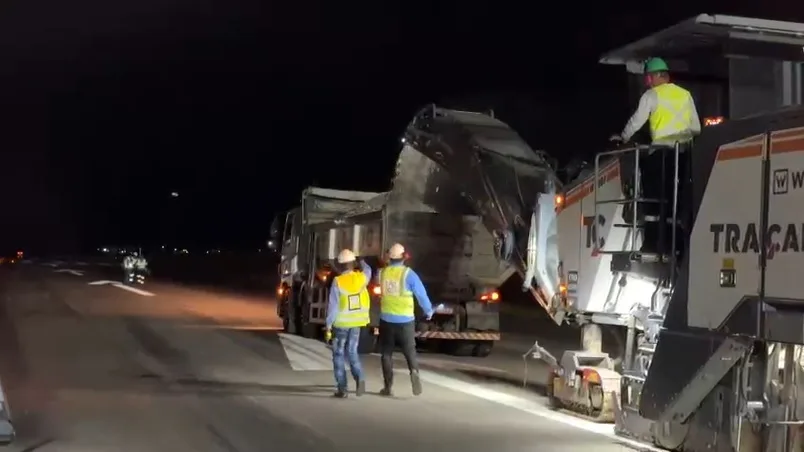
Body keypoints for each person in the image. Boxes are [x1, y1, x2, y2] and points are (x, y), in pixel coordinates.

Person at [377, 243, 434, 397]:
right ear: (404, 258)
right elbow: (421, 295)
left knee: (386, 354)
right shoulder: (409, 274)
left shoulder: (382, 273)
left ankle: (388, 387)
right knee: (409, 351)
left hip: (386, 319)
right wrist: (428, 311)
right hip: (405, 321)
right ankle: (414, 372)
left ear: (390, 257)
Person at [611, 57, 701, 147]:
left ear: (657, 75)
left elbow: (637, 121)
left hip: (661, 151)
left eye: (648, 77)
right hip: (684, 151)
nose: (647, 82)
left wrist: (623, 137)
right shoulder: (685, 94)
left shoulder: (650, 95)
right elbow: (696, 127)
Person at [324, 249, 371, 398]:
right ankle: (360, 378)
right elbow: (369, 270)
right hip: (357, 323)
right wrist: (362, 261)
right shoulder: (362, 278)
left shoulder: (338, 282)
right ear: (353, 264)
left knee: (338, 355)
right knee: (352, 352)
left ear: (340, 265)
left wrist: (328, 326)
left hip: (341, 324)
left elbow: (333, 306)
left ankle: (342, 389)